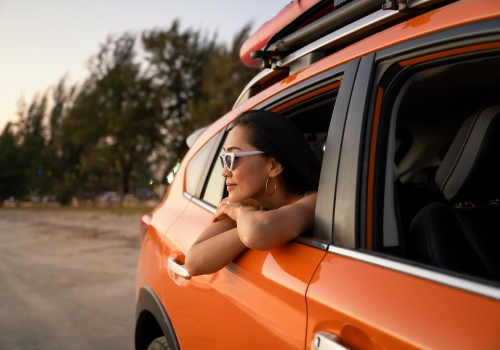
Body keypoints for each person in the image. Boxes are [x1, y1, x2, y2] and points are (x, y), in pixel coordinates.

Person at [185, 110, 321, 276]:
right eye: (224, 158)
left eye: (233, 158)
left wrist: (240, 213)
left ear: (273, 166)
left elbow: (254, 232)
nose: (224, 172)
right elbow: (193, 262)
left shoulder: (315, 202)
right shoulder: (248, 202)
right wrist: (247, 220)